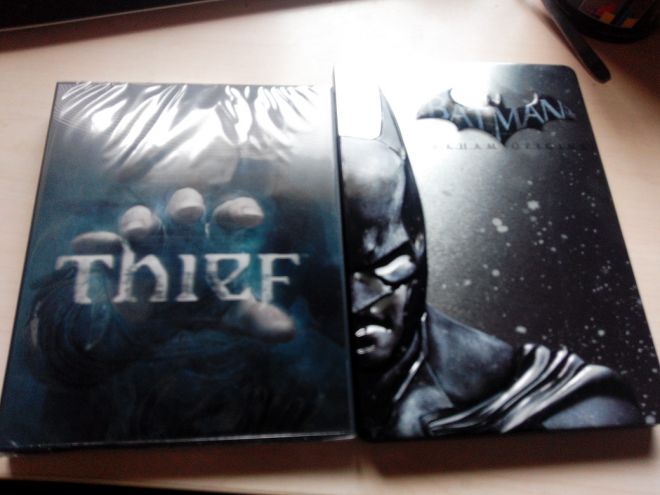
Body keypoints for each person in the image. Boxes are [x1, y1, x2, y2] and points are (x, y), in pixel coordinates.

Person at [338, 89, 643, 440]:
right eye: (335, 274)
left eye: (387, 266)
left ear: (419, 248)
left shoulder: (548, 398)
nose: (357, 301)